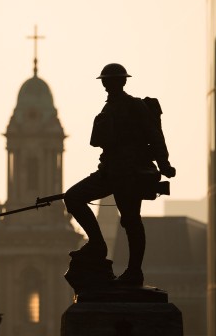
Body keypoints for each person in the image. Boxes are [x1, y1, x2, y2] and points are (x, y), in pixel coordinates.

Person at [63, 63, 176, 286]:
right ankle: (97, 244)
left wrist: (164, 164)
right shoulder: (108, 108)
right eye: (105, 81)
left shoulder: (134, 106)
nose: (107, 85)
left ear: (122, 82)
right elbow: (98, 141)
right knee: (73, 197)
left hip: (129, 173)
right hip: (109, 171)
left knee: (131, 221)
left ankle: (134, 271)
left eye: (111, 80)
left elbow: (155, 135)